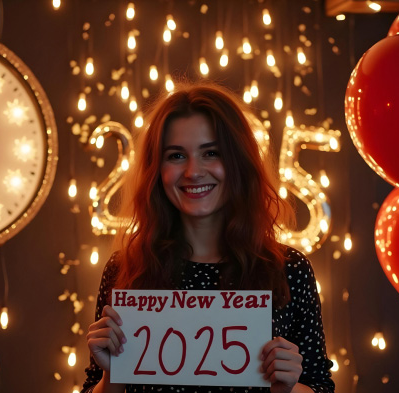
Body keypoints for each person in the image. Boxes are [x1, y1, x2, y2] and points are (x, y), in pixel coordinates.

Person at [83, 82, 335, 393]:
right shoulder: (126, 268)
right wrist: (112, 376)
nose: (193, 171)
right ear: (156, 171)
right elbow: (95, 386)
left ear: (238, 163)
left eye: (211, 153)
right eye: (176, 156)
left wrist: (287, 388)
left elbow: (320, 386)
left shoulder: (288, 270)